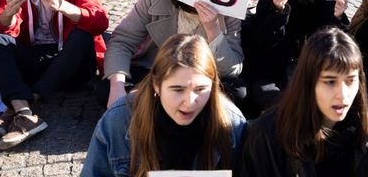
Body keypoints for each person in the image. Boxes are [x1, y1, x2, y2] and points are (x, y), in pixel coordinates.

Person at [239, 27, 368, 176]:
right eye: (330, 82)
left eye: (350, 81)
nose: (342, 95)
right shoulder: (266, 136)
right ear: (308, 82)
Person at [82, 34, 247, 177]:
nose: (190, 101)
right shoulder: (118, 121)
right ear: (156, 85)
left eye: (200, 89)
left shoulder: (232, 124)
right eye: (177, 89)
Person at [0, 0, 109, 150]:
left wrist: (63, 6)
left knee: (83, 36)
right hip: (34, 61)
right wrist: (9, 13)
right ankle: (23, 111)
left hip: (72, 68)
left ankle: (28, 101)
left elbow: (100, 21)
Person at [99, 0, 244, 109]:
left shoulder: (229, 8)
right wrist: (117, 87)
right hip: (153, 72)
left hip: (199, 80)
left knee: (236, 92)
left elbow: (231, 69)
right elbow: (123, 41)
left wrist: (213, 29)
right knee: (106, 89)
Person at [240, 0, 349, 113]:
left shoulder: (321, 0)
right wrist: (278, 12)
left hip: (303, 69)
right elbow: (261, 41)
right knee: (268, 97)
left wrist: (337, 17)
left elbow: (333, 44)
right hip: (268, 68)